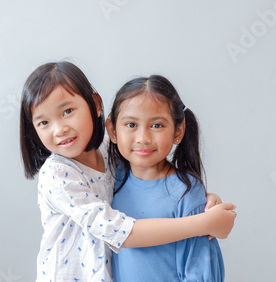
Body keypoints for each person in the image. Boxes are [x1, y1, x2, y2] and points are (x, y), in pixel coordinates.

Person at [20, 61, 237, 282]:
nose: (60, 129)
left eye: (67, 111)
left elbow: (158, 185)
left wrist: (201, 200)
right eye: (44, 122)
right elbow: (117, 230)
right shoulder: (57, 174)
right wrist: (203, 223)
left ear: (95, 104)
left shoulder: (113, 155)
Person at [106, 74, 227, 281]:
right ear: (112, 130)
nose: (143, 138)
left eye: (157, 125)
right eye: (131, 125)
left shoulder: (186, 192)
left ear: (178, 131)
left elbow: (199, 271)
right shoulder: (108, 180)